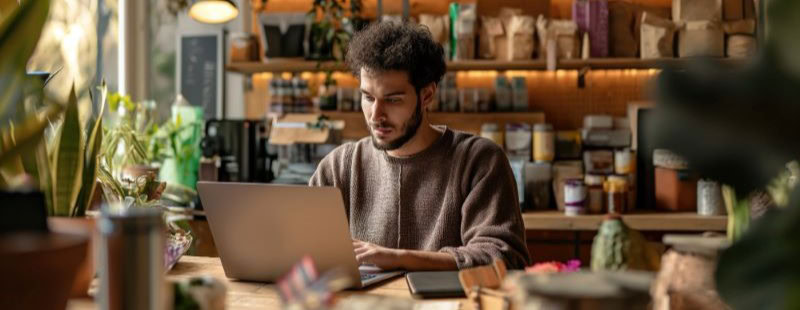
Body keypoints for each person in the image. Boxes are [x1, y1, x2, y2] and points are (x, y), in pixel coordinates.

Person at [309, 22, 531, 271]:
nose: (375, 115)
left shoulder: (479, 160)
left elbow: (503, 256)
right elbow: (303, 250)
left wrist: (398, 258)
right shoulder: (339, 166)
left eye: (393, 100)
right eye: (368, 97)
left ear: (426, 96)